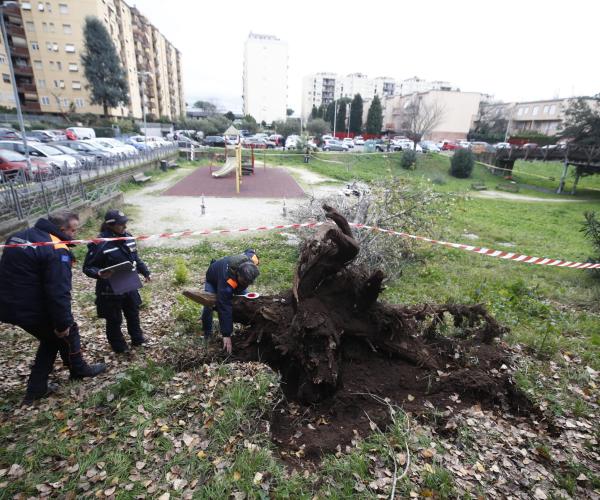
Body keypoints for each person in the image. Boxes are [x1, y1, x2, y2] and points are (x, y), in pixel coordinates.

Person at [0, 211, 106, 404]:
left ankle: (41, 386)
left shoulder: (19, 236)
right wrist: (63, 322)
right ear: (61, 229)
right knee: (66, 332)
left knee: (51, 339)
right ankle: (77, 370)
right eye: (73, 230)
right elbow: (58, 291)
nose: (75, 234)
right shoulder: (56, 249)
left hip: (8, 302)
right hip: (30, 306)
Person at [83, 210, 151, 353]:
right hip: (110, 287)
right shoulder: (99, 243)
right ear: (110, 225)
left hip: (128, 281)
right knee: (114, 318)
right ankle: (119, 346)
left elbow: (135, 257)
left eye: (125, 223)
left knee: (133, 312)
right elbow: (88, 267)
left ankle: (137, 338)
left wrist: (145, 271)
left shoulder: (129, 237)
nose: (125, 227)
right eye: (121, 225)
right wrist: (99, 273)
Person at [201, 249, 260, 354]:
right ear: (238, 274)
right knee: (208, 307)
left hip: (233, 280)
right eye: (244, 281)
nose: (246, 284)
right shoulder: (226, 282)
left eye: (248, 282)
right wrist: (226, 334)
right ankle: (207, 333)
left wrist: (251, 250)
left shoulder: (251, 262)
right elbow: (224, 307)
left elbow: (250, 252)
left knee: (246, 301)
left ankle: (247, 325)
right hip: (213, 280)